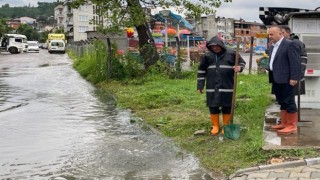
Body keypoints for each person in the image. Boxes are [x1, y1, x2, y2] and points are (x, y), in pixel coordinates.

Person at [197, 35, 246, 136]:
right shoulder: (207, 56)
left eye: (216, 46)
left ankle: (226, 126)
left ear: (221, 45)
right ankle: (215, 126)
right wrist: (200, 85)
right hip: (212, 86)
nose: (215, 48)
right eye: (212, 46)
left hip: (227, 85)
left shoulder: (232, 53)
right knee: (213, 106)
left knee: (227, 106)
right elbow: (201, 71)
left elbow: (242, 63)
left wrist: (239, 68)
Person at [267, 26, 301, 135]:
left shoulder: (290, 44)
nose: (269, 36)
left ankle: (291, 125)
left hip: (287, 79)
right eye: (269, 34)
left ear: (280, 33)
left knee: (289, 101)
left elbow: (295, 62)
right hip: (276, 79)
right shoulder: (272, 47)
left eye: (272, 34)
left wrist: (294, 77)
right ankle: (284, 123)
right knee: (281, 101)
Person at [281, 26, 308, 96]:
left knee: (290, 99)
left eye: (283, 32)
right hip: (288, 76)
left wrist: (298, 76)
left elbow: (302, 60)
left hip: (293, 77)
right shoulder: (286, 42)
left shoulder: (294, 43)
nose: (281, 34)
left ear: (288, 33)